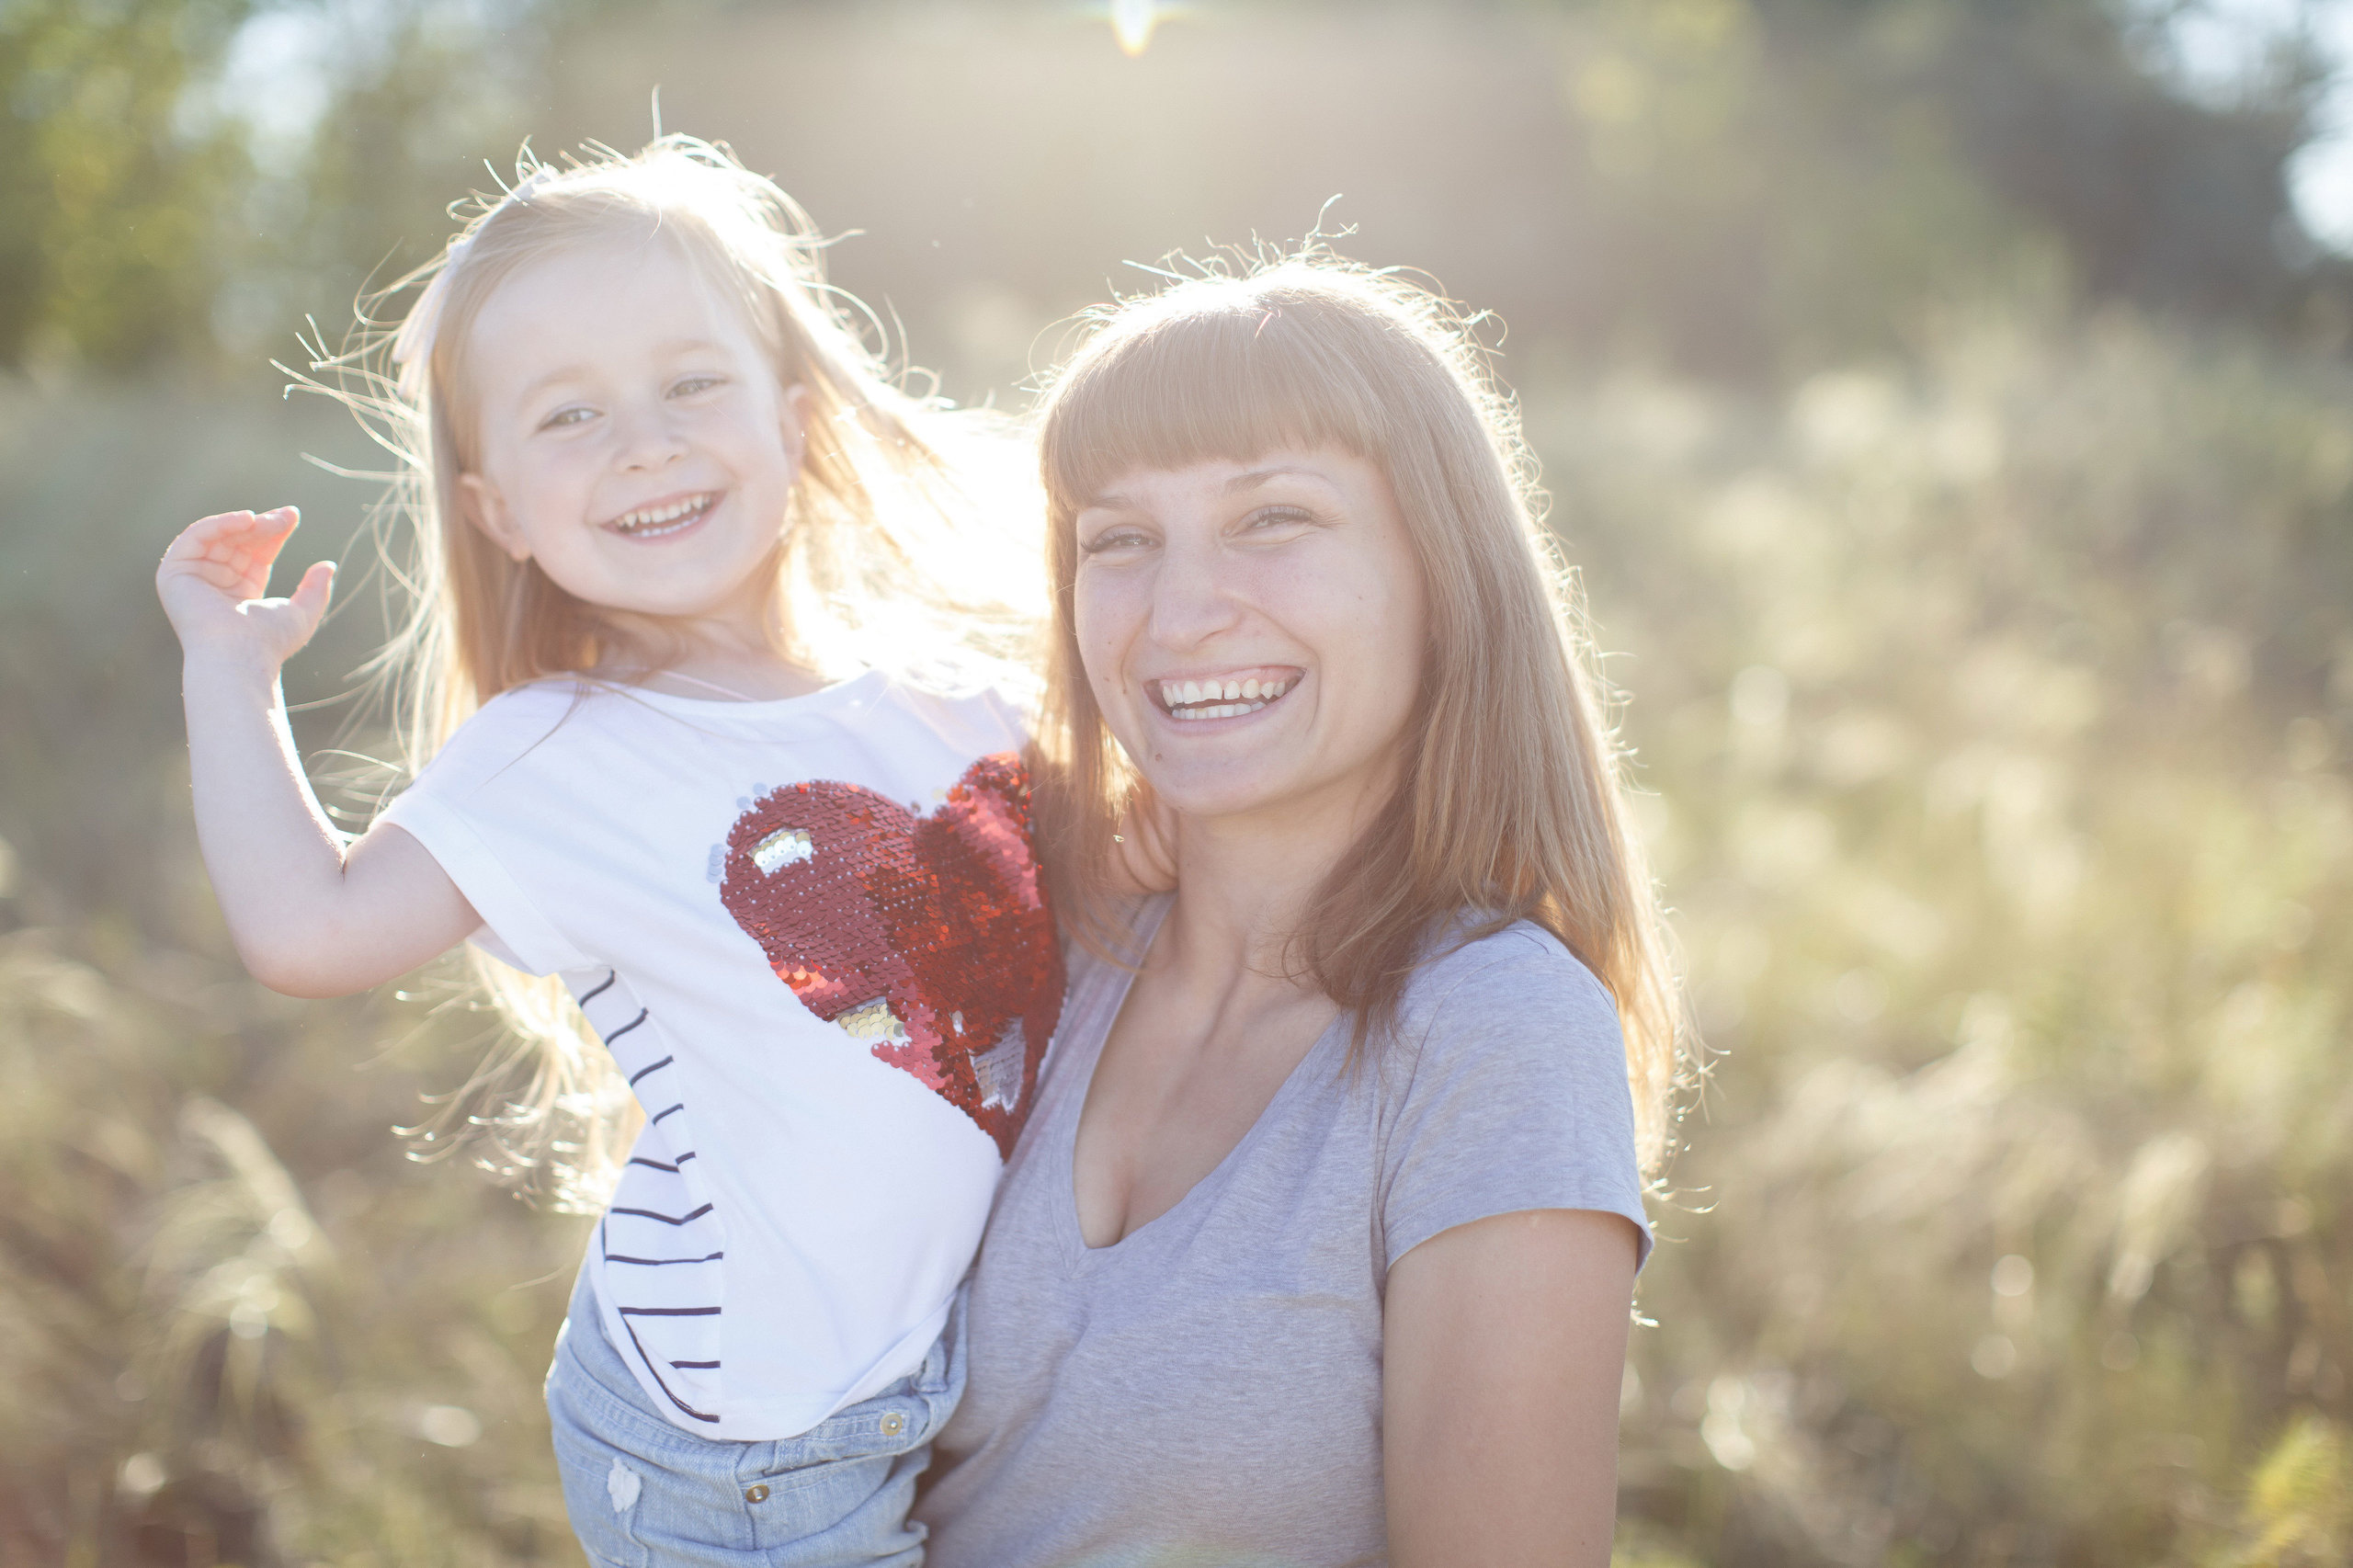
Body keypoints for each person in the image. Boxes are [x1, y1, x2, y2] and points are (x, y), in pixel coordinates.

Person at [154, 139, 1064, 1567]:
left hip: (935, 1368)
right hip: (733, 1437)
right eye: (569, 413)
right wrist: (227, 671)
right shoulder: (559, 750)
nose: (645, 441)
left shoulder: (958, 706)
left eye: (692, 382)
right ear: (500, 513)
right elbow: (305, 930)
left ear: (796, 418)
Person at [915, 254, 1684, 1567]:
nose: (1182, 611)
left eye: (1273, 518)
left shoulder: (1490, 1027)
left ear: (1442, 571)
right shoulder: (1029, 949)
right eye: (1120, 540)